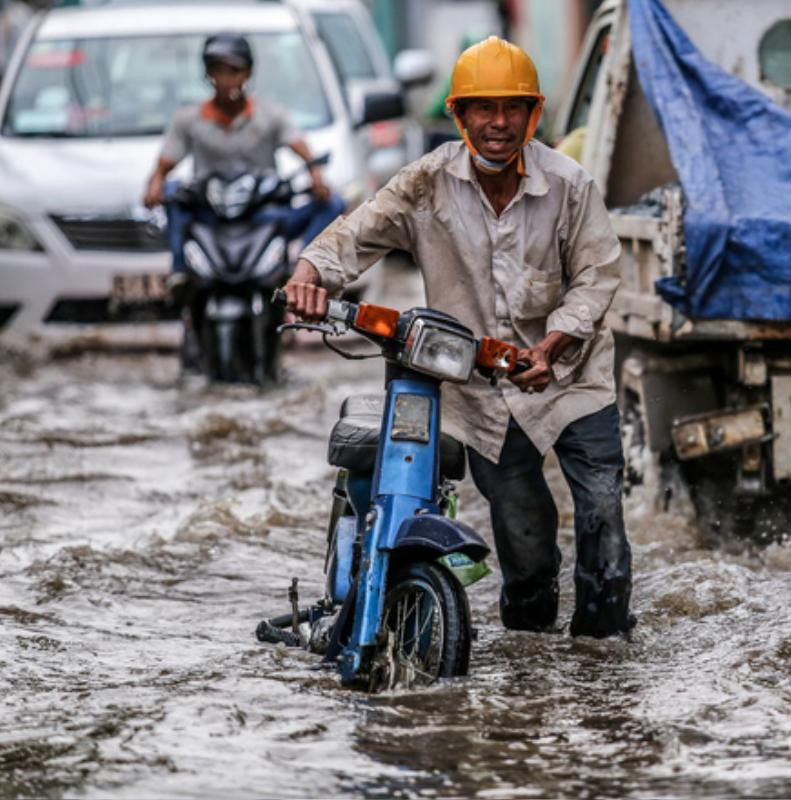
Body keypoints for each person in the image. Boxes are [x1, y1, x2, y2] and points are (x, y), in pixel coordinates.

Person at [284, 36, 635, 639]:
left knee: (603, 517)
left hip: (575, 380)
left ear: (534, 114)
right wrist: (309, 274)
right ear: (457, 114)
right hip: (484, 393)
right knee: (523, 541)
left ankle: (603, 655)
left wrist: (552, 347)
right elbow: (355, 235)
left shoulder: (570, 186)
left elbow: (598, 277)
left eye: (512, 109)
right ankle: (532, 660)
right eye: (482, 108)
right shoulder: (424, 183)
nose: (498, 124)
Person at [143, 32, 344, 275]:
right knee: (172, 190)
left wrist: (316, 175)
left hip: (262, 214)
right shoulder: (189, 120)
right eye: (219, 70)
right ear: (208, 74)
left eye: (233, 71)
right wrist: (155, 185)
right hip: (210, 216)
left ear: (247, 73)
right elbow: (163, 167)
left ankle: (303, 270)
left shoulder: (270, 116)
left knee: (333, 204)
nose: (226, 80)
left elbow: (303, 149)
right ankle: (180, 270)